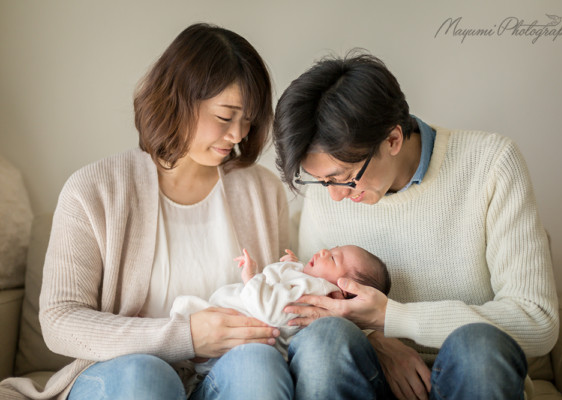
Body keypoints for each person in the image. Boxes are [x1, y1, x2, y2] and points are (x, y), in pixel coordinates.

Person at [0, 25, 389, 400]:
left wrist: (371, 335)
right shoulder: (94, 189)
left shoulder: (261, 191)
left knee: (257, 362)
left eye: (248, 119)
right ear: (178, 100)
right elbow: (59, 321)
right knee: (145, 375)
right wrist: (186, 336)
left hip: (220, 376)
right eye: (225, 116)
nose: (238, 135)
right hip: (125, 375)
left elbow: (290, 299)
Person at [273, 52, 559, 400]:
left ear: (393, 139)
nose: (334, 196)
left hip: (470, 375)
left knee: (478, 348)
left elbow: (537, 322)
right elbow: (310, 307)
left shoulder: (491, 164)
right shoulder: (326, 191)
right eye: (322, 182)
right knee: (324, 341)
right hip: (368, 376)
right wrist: (377, 339)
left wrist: (394, 318)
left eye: (344, 178)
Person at [171, 245, 391, 372]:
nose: (324, 250)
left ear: (342, 292)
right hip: (236, 335)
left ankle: (185, 360)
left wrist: (251, 278)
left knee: (184, 307)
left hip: (241, 328)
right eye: (333, 248)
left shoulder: (317, 291)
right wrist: (293, 265)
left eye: (333, 258)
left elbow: (272, 310)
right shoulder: (312, 284)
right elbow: (289, 288)